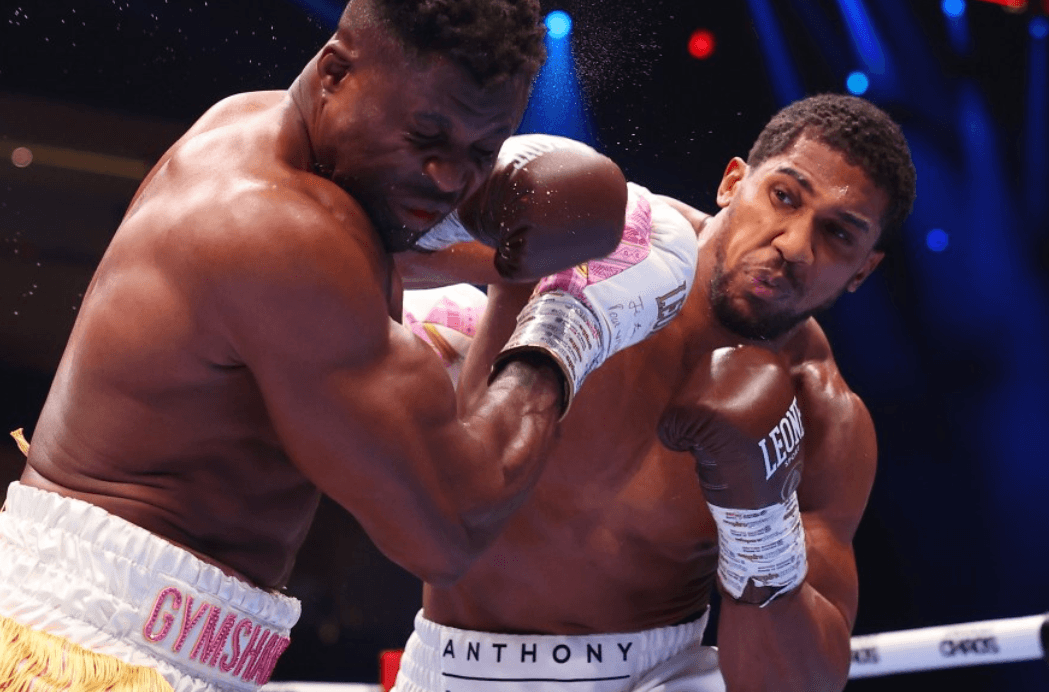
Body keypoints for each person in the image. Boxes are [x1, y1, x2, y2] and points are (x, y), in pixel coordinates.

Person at [0, 0, 701, 692]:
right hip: (79, 655)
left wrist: (538, 254)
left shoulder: (261, 133)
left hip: (115, 637)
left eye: (484, 151)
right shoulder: (281, 234)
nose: (449, 179)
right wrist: (568, 320)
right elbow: (446, 529)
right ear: (337, 73)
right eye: (427, 136)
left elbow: (397, 244)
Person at [393, 93, 917, 692]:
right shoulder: (597, 238)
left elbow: (796, 683)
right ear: (732, 183)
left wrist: (762, 530)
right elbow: (372, 253)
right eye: (784, 196)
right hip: (452, 663)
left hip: (658, 676)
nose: (795, 245)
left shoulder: (822, 415)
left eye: (838, 233)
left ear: (862, 270)